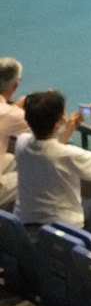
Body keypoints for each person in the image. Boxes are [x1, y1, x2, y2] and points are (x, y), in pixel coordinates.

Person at [14, 90, 91, 232]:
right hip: (62, 225)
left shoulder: (21, 141)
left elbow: (50, 152)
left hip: (25, 218)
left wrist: (68, 129)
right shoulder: (69, 154)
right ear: (59, 122)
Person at [0, 59, 29, 206]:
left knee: (11, 159)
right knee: (34, 177)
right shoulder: (11, 114)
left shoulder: (9, 113)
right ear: (15, 85)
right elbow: (46, 131)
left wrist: (14, 109)